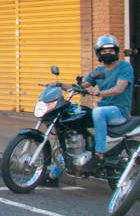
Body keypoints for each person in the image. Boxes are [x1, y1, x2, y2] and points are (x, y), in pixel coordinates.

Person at [44, 35, 133, 186]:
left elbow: (120, 88)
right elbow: (80, 86)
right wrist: (58, 85)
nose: (107, 53)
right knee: (75, 133)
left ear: (116, 51)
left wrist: (100, 93)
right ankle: (53, 177)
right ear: (98, 53)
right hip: (103, 112)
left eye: (111, 50)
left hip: (118, 111)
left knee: (98, 112)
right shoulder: (98, 71)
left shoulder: (124, 67)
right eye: (104, 51)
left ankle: (99, 153)